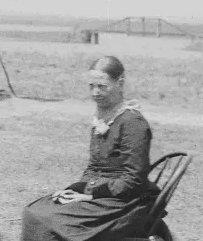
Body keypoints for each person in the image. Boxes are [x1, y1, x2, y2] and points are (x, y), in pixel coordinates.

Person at [22, 56, 159, 240]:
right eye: (91, 86)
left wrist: (89, 196)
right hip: (100, 195)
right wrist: (76, 190)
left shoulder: (133, 122)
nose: (95, 92)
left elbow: (133, 179)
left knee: (48, 219)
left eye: (102, 86)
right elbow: (94, 167)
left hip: (124, 203)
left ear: (120, 82)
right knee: (34, 210)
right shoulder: (103, 117)